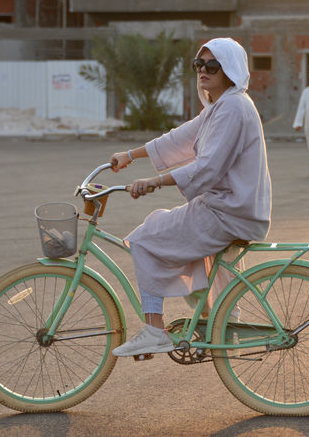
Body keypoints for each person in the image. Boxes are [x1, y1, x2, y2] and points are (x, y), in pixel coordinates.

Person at [108, 37, 272, 357]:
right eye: (199, 65)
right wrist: (130, 154)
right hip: (227, 207)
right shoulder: (221, 106)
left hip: (227, 211)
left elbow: (208, 167)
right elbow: (180, 138)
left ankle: (155, 330)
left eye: (213, 66)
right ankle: (217, 322)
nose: (203, 72)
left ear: (231, 70)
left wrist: (154, 182)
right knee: (162, 230)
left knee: (145, 239)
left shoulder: (233, 107)